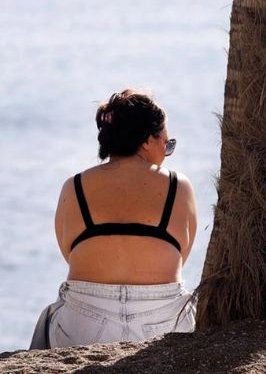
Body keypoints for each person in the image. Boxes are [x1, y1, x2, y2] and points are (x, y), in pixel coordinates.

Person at [41, 90, 199, 347]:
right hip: (163, 316)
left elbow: (69, 251)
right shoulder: (177, 186)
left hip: (84, 319)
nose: (167, 152)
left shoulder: (75, 186)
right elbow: (182, 253)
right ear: (148, 141)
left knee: (48, 318)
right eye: (167, 144)